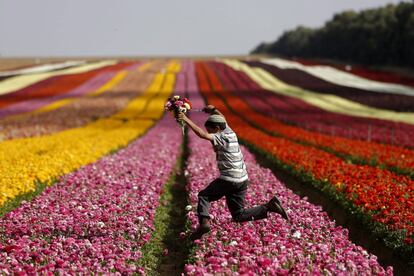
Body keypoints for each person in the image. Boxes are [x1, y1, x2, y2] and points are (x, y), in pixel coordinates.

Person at [177, 105, 289, 240]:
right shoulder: (229, 131)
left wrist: (185, 119)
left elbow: (202, 134)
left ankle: (204, 223)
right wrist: (213, 111)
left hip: (229, 179)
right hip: (242, 180)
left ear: (217, 129)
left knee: (204, 196)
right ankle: (269, 207)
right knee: (238, 215)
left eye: (211, 131)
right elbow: (222, 119)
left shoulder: (220, 137)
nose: (211, 133)